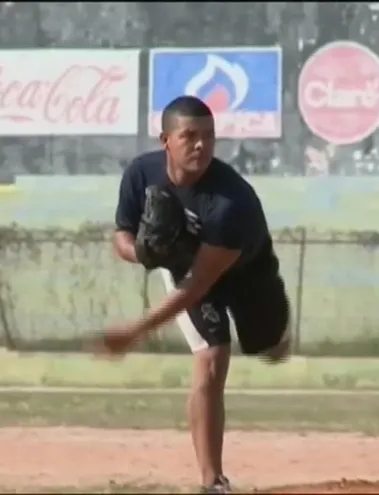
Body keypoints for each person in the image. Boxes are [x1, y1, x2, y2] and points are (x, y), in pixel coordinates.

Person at [95, 95, 292, 494]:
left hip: (248, 273)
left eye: (208, 136)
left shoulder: (230, 202)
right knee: (212, 357)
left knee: (268, 344)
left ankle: (272, 342)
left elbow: (196, 287)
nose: (201, 145)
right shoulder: (141, 173)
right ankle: (212, 481)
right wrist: (141, 253)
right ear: (165, 139)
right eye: (189, 136)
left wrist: (135, 331)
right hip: (189, 270)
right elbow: (121, 235)